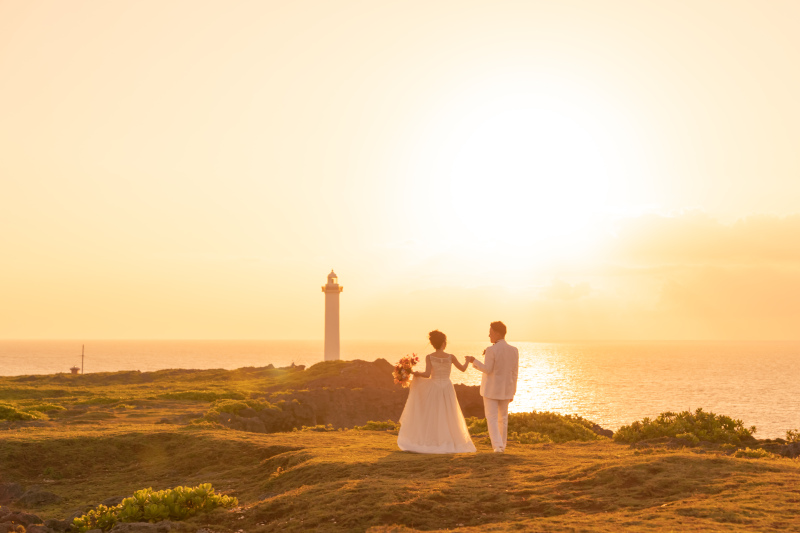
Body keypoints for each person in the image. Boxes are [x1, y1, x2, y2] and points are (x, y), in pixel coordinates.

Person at [397, 330, 476, 453]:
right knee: (449, 413)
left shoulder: (429, 357)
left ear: (432, 343)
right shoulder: (451, 356)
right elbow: (463, 369)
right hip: (447, 387)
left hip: (434, 387)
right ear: (444, 343)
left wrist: (415, 373)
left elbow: (427, 374)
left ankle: (434, 440)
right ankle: (449, 440)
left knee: (433, 414)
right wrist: (468, 360)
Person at [466, 321, 519, 453]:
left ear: (496, 333)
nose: (489, 336)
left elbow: (487, 369)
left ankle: (497, 446)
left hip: (491, 390)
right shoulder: (514, 350)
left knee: (492, 418)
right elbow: (514, 373)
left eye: (490, 333)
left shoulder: (491, 350)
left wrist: (474, 361)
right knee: (504, 419)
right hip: (506, 389)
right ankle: (502, 445)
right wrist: (513, 392)